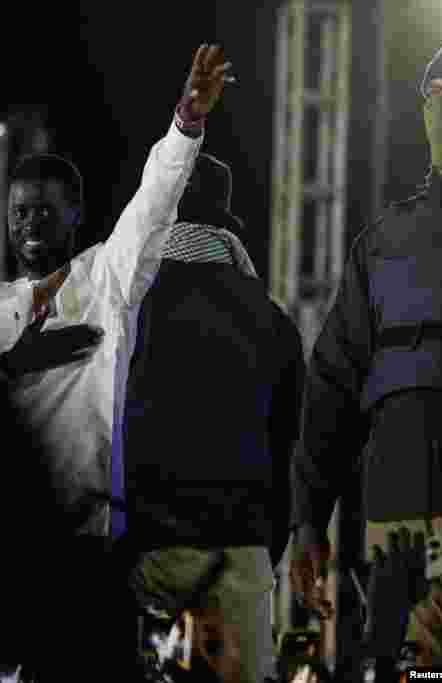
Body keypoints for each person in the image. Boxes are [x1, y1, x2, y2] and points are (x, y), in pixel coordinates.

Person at [0, 44, 232, 548]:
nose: (30, 224)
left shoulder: (106, 277)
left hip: (83, 537)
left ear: (75, 213)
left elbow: (154, 201)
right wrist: (11, 365)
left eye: (45, 210)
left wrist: (186, 124)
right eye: (20, 213)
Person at [124, 153, 305, 683]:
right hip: (239, 545)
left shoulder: (126, 306)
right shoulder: (272, 322)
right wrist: (262, 547)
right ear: (224, 225)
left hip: (146, 549)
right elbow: (288, 448)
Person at [289, 42, 442, 627]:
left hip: (404, 512)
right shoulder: (382, 247)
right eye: (440, 96)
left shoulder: (383, 246)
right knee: (413, 664)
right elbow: (331, 389)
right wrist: (308, 519)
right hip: (402, 519)